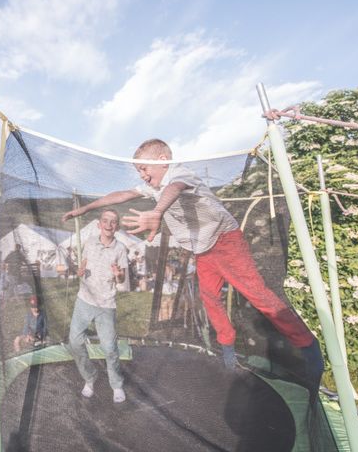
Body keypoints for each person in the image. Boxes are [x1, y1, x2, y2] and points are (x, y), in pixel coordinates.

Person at [63, 139, 323, 380]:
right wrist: (85, 209)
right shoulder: (154, 187)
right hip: (204, 250)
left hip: (225, 241)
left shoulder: (179, 175)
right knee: (209, 297)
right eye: (139, 171)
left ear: (162, 160)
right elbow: (122, 195)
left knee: (257, 294)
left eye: (144, 169)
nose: (142, 175)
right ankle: (228, 349)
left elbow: (175, 189)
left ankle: (308, 347)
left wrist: (157, 212)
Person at [64, 209, 128, 403]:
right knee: (74, 342)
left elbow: (122, 278)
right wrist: (79, 270)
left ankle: (116, 385)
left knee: (109, 348)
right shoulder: (90, 242)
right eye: (105, 220)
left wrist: (118, 274)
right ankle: (90, 378)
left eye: (113, 221)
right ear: (99, 224)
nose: (109, 224)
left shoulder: (121, 249)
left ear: (117, 226)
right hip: (84, 300)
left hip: (106, 304)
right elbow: (82, 267)